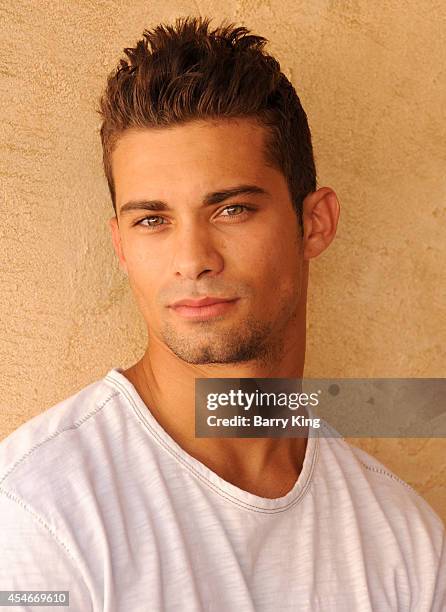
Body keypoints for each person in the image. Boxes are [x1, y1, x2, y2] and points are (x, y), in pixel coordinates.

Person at [0, 15, 444, 612]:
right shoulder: (37, 512)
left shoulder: (405, 544)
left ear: (314, 223)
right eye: (152, 220)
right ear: (121, 246)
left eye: (231, 209)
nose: (192, 260)